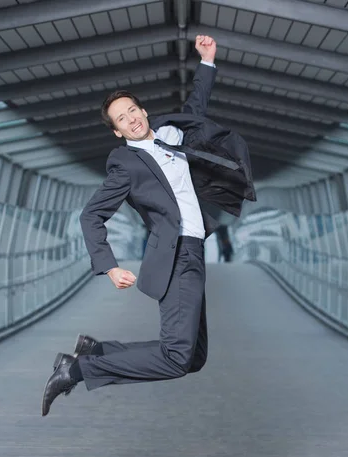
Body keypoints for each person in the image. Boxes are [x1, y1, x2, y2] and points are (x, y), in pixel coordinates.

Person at [41, 35, 256, 417]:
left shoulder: (172, 134)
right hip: (174, 259)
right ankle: (77, 369)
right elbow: (91, 215)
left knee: (193, 358)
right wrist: (108, 265)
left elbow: (196, 107)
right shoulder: (125, 164)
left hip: (195, 252)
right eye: (122, 119)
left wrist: (207, 62)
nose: (131, 118)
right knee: (176, 357)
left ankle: (96, 352)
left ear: (143, 110)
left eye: (133, 110)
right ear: (117, 132)